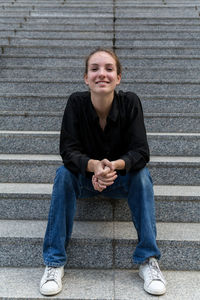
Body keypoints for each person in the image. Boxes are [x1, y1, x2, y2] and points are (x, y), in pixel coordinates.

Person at [39, 48, 167, 296]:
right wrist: (93, 167)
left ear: (118, 77)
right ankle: (54, 261)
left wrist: (112, 167)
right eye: (94, 69)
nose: (102, 74)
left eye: (109, 69)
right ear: (86, 78)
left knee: (142, 176)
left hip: (119, 180)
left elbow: (141, 152)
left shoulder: (130, 102)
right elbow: (68, 151)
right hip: (86, 181)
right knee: (63, 174)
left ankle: (148, 259)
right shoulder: (76, 103)